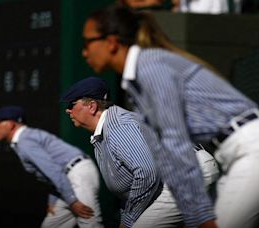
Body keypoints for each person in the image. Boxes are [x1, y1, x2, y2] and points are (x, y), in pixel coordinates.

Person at [81, 4, 259, 228]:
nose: (84, 52)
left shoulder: (151, 69)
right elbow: (165, 153)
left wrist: (200, 216)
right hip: (237, 152)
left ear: (111, 42)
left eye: (88, 42)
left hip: (251, 147)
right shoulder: (139, 76)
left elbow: (177, 146)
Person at [61, 76, 219, 228]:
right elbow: (135, 184)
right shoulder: (106, 129)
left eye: (71, 104)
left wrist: (128, 220)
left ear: (92, 106)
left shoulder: (118, 127)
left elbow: (147, 172)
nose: (68, 110)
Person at [0, 106, 103, 228]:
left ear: (11, 124)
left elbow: (53, 169)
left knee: (90, 223)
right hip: (69, 179)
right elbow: (50, 172)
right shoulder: (24, 138)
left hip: (76, 174)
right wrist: (53, 199)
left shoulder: (24, 140)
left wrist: (72, 200)